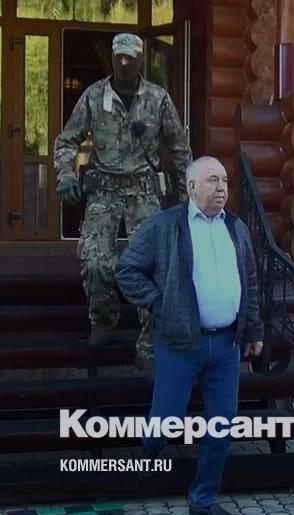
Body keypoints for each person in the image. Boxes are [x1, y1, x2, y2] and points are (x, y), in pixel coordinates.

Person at [114, 156, 264, 515]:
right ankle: (149, 453)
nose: (222, 187)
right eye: (212, 180)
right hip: (180, 343)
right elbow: (127, 269)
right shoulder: (165, 225)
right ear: (192, 187)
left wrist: (253, 330)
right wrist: (159, 303)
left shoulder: (236, 228)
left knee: (222, 423)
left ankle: (203, 498)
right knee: (166, 421)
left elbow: (249, 281)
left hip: (226, 345)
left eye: (225, 180)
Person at [52, 32, 192, 356]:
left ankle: (150, 341)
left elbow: (179, 149)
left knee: (155, 263)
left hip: (144, 192)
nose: (125, 63)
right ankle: (102, 319)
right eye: (120, 58)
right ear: (113, 59)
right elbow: (67, 140)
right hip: (104, 193)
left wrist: (190, 195)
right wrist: (65, 173)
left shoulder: (158, 99)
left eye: (131, 58)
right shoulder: (93, 96)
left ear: (142, 60)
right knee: (96, 262)